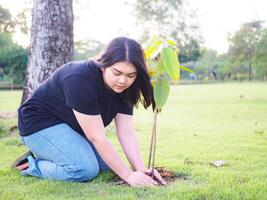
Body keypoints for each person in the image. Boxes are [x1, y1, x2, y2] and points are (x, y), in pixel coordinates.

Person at [14, 37, 166, 187]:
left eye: (130, 75)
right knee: (84, 170)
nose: (122, 81)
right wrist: (128, 176)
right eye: (117, 73)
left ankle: (56, 152)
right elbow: (96, 137)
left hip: (69, 126)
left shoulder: (126, 88)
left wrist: (140, 169)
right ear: (103, 65)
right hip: (38, 123)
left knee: (106, 167)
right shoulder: (80, 78)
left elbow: (126, 132)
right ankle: (31, 164)